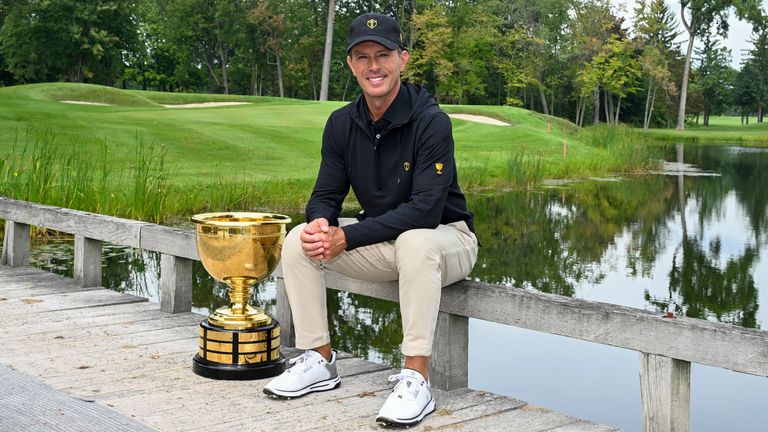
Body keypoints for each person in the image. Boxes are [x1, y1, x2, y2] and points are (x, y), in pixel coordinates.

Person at [263, 12, 479, 428]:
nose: (373, 65)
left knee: (416, 241)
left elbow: (425, 211)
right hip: (386, 242)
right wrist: (323, 225)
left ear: (403, 59)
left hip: (447, 239)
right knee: (298, 239)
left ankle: (416, 378)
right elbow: (325, 195)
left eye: (383, 55)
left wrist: (350, 237)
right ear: (350, 64)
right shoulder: (342, 123)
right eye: (362, 56)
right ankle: (319, 360)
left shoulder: (431, 121)